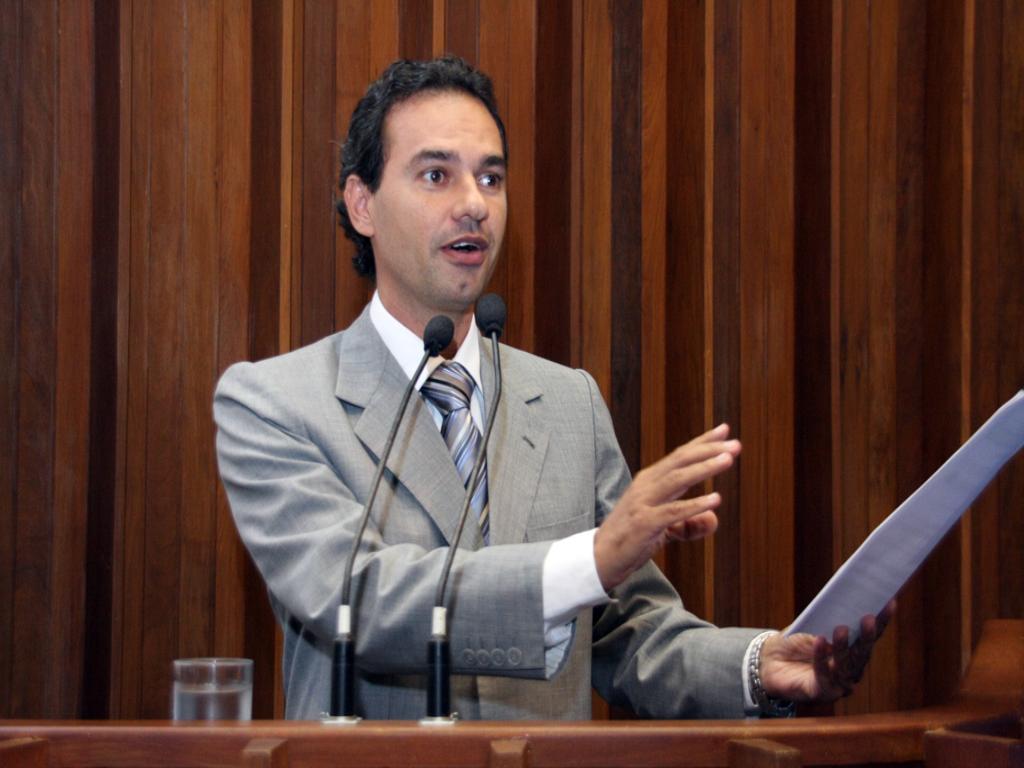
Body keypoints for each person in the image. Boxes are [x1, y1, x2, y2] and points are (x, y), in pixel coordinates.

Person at [214, 56, 890, 721]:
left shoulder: (569, 403)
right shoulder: (275, 403)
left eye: (491, 178)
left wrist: (758, 667)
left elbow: (631, 636)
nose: (474, 204)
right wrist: (589, 560)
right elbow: (355, 600)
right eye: (436, 175)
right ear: (362, 203)